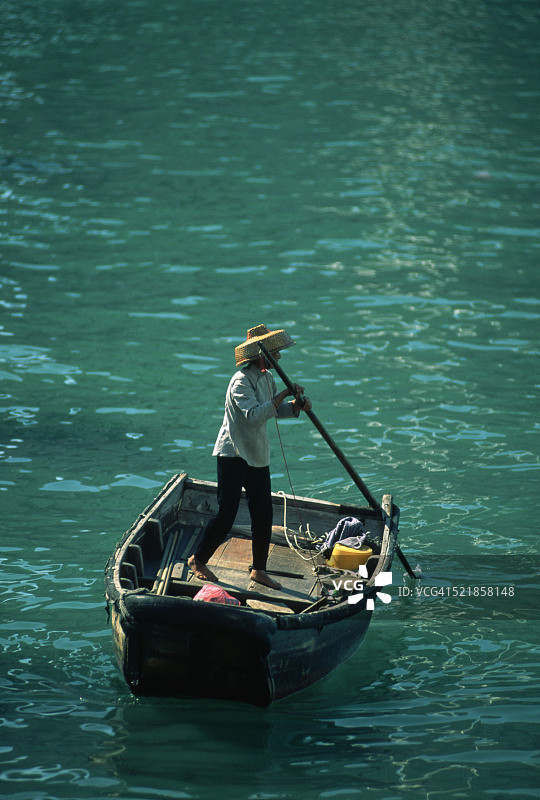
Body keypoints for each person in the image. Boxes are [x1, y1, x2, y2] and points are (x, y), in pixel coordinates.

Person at [188, 324, 312, 590]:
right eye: (274, 353)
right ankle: (198, 560)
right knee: (227, 513)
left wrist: (295, 406)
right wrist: (282, 396)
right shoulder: (240, 381)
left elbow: (273, 412)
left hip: (256, 453)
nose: (279, 357)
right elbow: (255, 414)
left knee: (263, 513)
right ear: (261, 355)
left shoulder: (267, 379)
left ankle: (259, 570)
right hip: (233, 453)